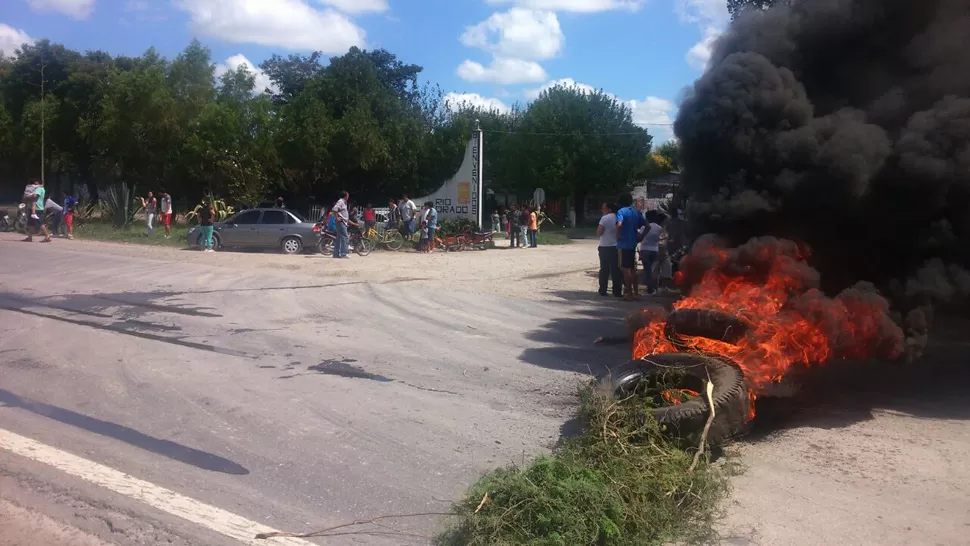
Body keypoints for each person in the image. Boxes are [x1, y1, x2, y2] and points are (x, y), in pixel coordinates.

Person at [615, 194, 645, 301]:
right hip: (633, 244)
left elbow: (619, 224)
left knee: (624, 269)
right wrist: (641, 237)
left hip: (623, 245)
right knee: (632, 269)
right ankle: (635, 292)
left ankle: (629, 293)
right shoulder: (635, 212)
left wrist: (617, 235)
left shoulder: (621, 212)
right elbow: (648, 226)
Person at [597, 202, 622, 297]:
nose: (602, 210)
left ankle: (603, 290)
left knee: (604, 269)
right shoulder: (618, 217)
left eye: (604, 208)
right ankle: (617, 291)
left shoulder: (605, 218)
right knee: (616, 269)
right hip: (616, 247)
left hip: (605, 246)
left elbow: (599, 232)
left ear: (609, 209)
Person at [641, 211, 665, 295]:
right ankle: (654, 287)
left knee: (647, 270)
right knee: (653, 269)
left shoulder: (644, 227)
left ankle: (650, 289)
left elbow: (640, 236)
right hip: (655, 250)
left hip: (645, 249)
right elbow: (662, 238)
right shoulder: (659, 228)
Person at [332, 191, 350, 259]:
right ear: (345, 196)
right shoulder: (341, 201)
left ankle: (336, 254)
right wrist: (337, 218)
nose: (348, 196)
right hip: (341, 222)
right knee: (345, 237)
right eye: (348, 195)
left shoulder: (344, 202)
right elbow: (334, 209)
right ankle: (344, 253)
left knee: (339, 238)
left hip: (343, 222)